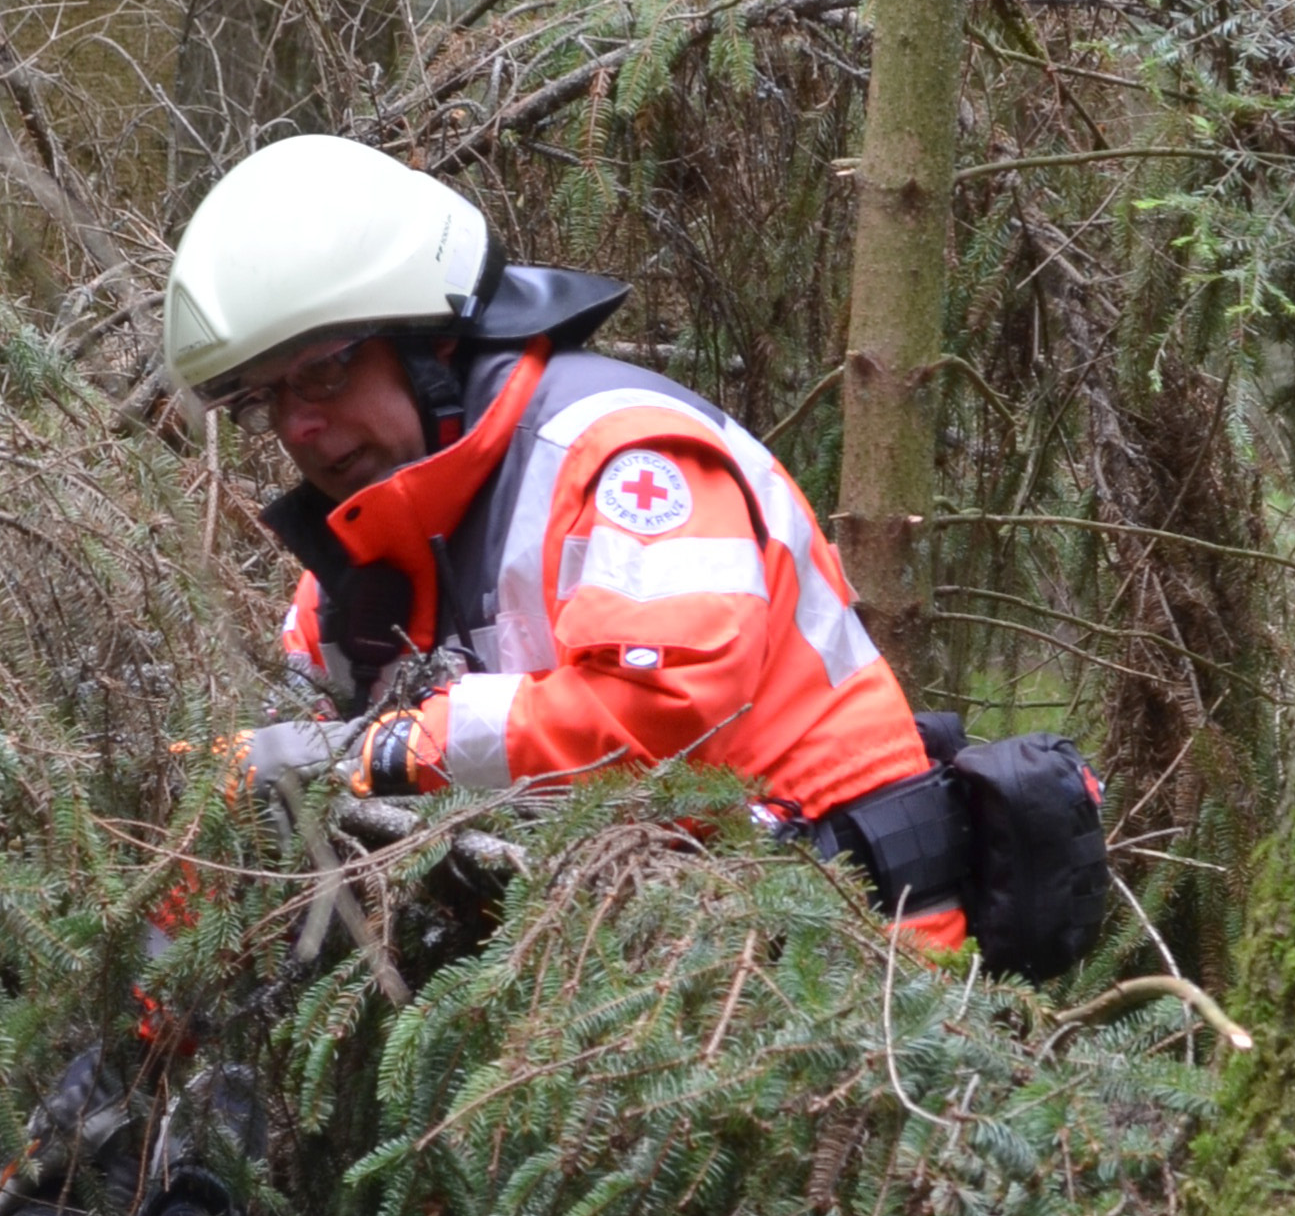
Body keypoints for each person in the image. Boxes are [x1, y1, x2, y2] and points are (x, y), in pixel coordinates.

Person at [161, 128, 1013, 947]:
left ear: (433, 344)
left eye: (325, 370)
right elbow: (263, 772)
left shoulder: (619, 459)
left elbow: (664, 714)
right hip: (585, 982)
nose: (299, 426)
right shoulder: (356, 561)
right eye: (265, 399)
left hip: (830, 969)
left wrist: (387, 748)